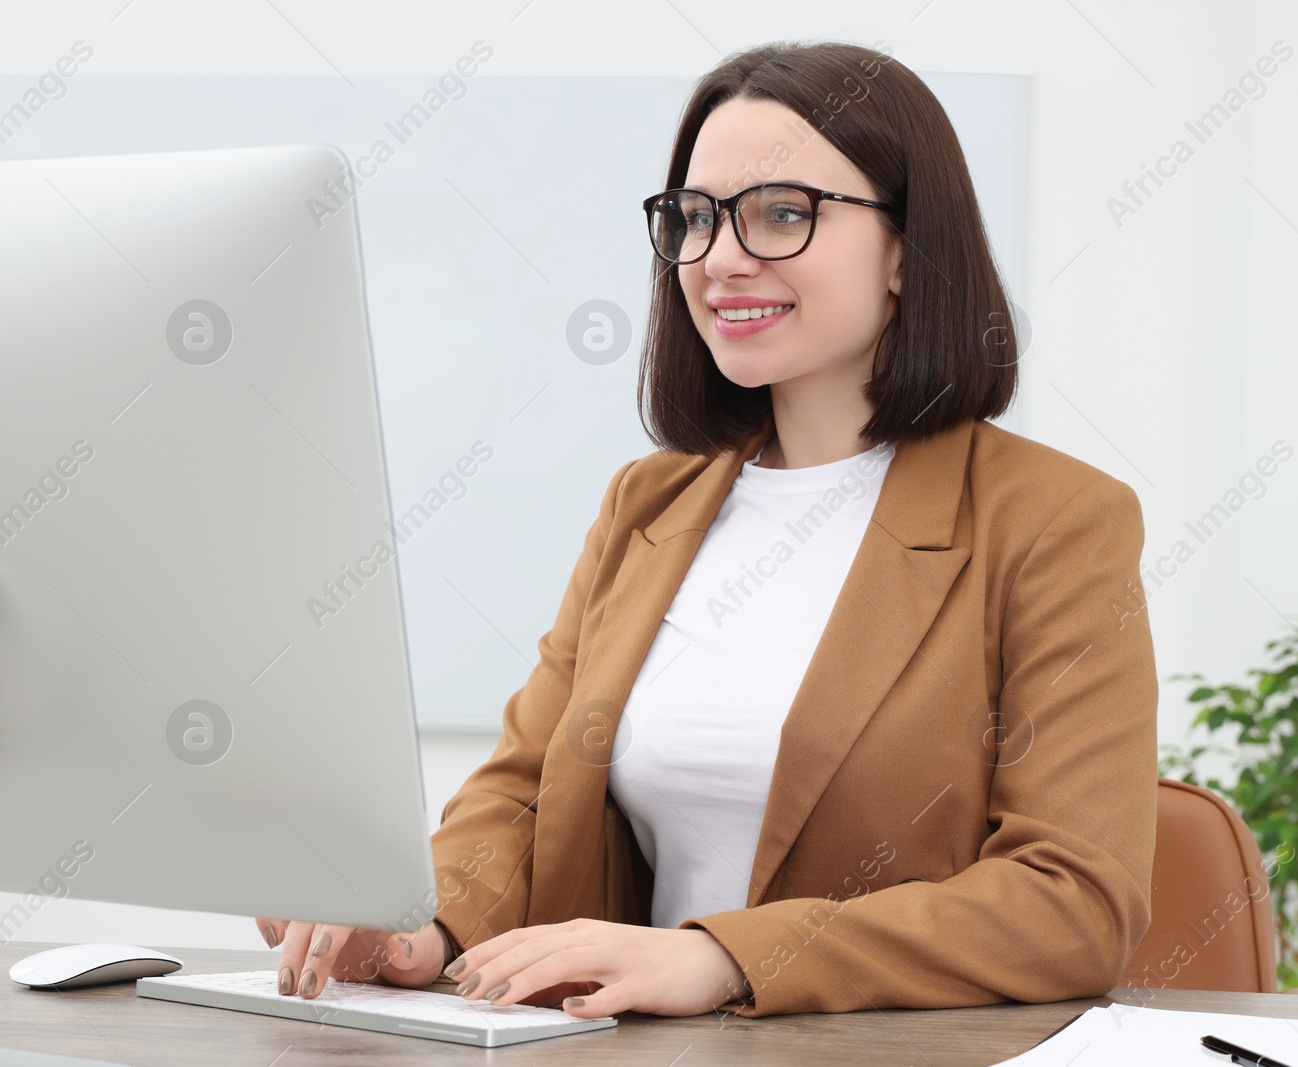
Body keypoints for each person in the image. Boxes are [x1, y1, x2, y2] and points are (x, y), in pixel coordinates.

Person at [257, 38, 1157, 1021]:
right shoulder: (649, 502)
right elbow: (522, 793)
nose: (720, 257)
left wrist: (725, 956)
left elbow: (1075, 899)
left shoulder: (1055, 519)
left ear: (906, 249)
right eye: (694, 218)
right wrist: (414, 927)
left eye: (781, 212)